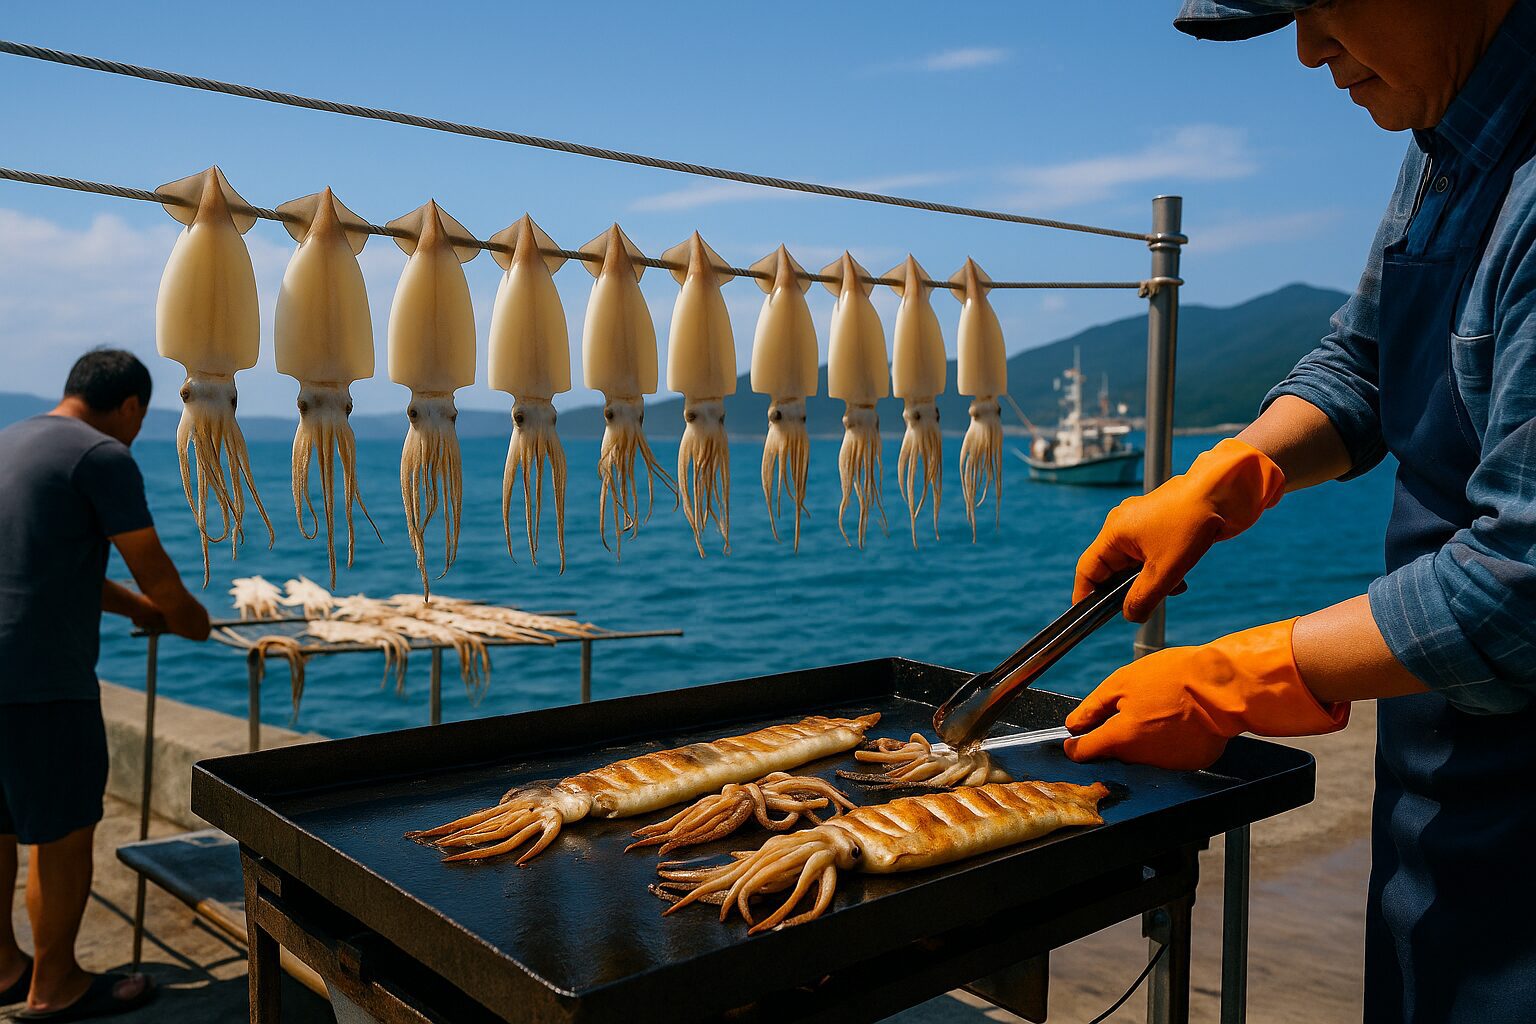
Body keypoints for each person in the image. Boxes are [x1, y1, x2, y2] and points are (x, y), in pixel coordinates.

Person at [1064, 2, 1536, 1021]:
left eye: (1324, 2)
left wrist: (1232, 681)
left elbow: (1516, 590)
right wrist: (1232, 471)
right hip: (1443, 775)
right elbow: (1362, 358)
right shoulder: (1449, 130)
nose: (1309, 50)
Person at [0, 349, 208, 1021]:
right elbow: (153, 567)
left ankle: (6, 970)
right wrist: (186, 620)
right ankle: (54, 987)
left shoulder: (13, 444)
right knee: (60, 838)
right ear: (130, 407)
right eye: (140, 419)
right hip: (41, 680)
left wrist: (140, 613)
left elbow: (57, 569)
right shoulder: (100, 456)